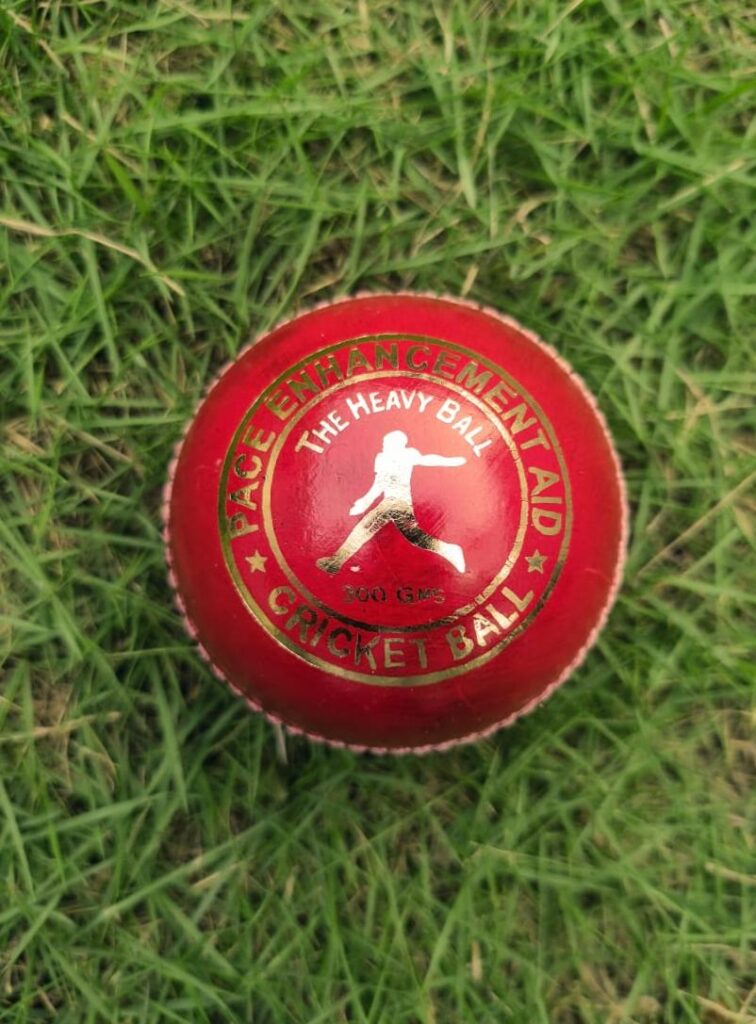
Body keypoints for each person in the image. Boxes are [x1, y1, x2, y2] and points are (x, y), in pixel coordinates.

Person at [316, 430, 467, 574]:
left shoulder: (407, 454)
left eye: (386, 442)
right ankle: (449, 550)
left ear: (397, 443)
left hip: (398, 503)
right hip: (393, 503)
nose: (383, 445)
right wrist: (364, 501)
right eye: (384, 442)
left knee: (364, 528)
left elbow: (428, 459)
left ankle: (335, 563)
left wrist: (453, 461)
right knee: (415, 537)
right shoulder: (382, 457)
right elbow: (379, 484)